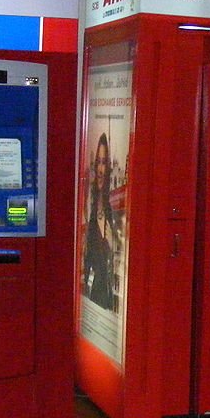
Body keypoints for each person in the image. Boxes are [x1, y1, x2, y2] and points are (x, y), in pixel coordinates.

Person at [83, 133, 116, 310]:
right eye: (99, 162)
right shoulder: (91, 211)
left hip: (108, 303)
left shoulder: (111, 213)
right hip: (93, 302)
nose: (101, 169)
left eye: (105, 162)